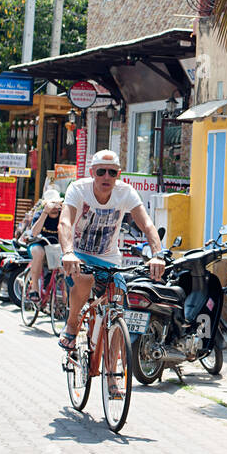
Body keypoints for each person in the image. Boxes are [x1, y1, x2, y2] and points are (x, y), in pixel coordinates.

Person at [57, 150, 165, 350]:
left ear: (119, 174)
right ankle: (72, 323)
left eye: (112, 173)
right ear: (92, 172)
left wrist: (157, 255)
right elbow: (64, 222)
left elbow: (147, 225)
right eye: (101, 172)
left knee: (118, 311)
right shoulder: (78, 189)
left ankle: (113, 376)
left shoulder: (125, 192)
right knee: (85, 278)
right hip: (79, 255)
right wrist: (68, 252)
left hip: (110, 259)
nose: (106, 177)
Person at [23, 187, 62, 301]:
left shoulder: (62, 215)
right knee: (38, 252)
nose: (54, 208)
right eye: (51, 204)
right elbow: (34, 233)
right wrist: (45, 213)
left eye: (56, 204)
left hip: (55, 247)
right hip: (38, 245)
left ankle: (66, 303)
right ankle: (34, 288)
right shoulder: (40, 214)